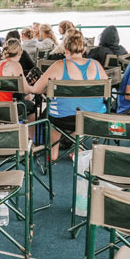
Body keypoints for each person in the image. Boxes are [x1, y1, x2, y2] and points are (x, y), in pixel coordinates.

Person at [32, 31, 108, 161]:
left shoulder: (59, 65)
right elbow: (106, 90)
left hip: (63, 119)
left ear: (65, 49)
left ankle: (54, 152)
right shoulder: (96, 65)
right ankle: (78, 148)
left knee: (53, 113)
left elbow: (36, 90)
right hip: (93, 118)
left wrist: (47, 90)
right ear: (83, 49)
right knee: (84, 110)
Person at [0, 39, 35, 120]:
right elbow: (26, 90)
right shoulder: (15, 65)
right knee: (31, 106)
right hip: (5, 108)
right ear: (20, 52)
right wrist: (35, 88)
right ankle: (30, 133)